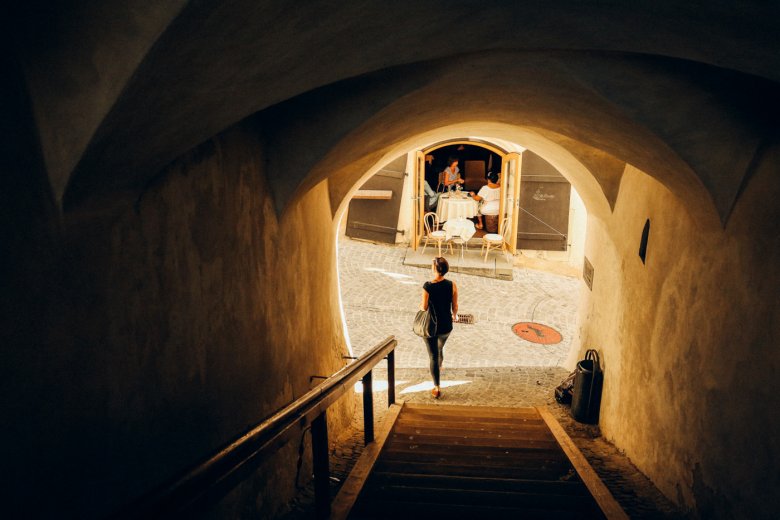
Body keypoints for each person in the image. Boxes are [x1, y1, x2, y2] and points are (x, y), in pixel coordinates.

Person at [420, 257, 458, 399]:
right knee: (440, 347)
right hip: (446, 325)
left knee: (433, 356)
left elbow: (424, 307)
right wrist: (454, 315)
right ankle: (440, 366)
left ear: (435, 269)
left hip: (431, 326)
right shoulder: (452, 285)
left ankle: (436, 387)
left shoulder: (428, 286)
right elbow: (455, 306)